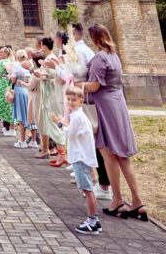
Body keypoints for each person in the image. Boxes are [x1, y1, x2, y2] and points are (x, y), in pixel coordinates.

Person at [82, 24, 146, 220]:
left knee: (109, 154)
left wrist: (75, 83)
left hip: (105, 107)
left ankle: (117, 200)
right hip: (117, 104)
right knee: (122, 156)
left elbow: (94, 86)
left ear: (94, 38)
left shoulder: (101, 57)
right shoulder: (114, 56)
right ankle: (137, 202)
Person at [51, 85, 102, 235]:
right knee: (87, 189)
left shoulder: (77, 116)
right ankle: (94, 220)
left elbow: (69, 134)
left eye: (74, 100)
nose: (70, 102)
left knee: (87, 190)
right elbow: (73, 130)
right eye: (68, 99)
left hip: (81, 157)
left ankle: (92, 221)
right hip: (82, 156)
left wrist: (58, 123)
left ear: (81, 101)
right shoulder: (77, 115)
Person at [0, 46, 15, 135]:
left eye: (1, 52)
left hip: (3, 86)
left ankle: (8, 127)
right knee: (9, 106)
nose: (0, 54)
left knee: (4, 105)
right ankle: (8, 126)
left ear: (6, 53)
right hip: (10, 84)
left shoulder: (2, 62)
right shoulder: (12, 61)